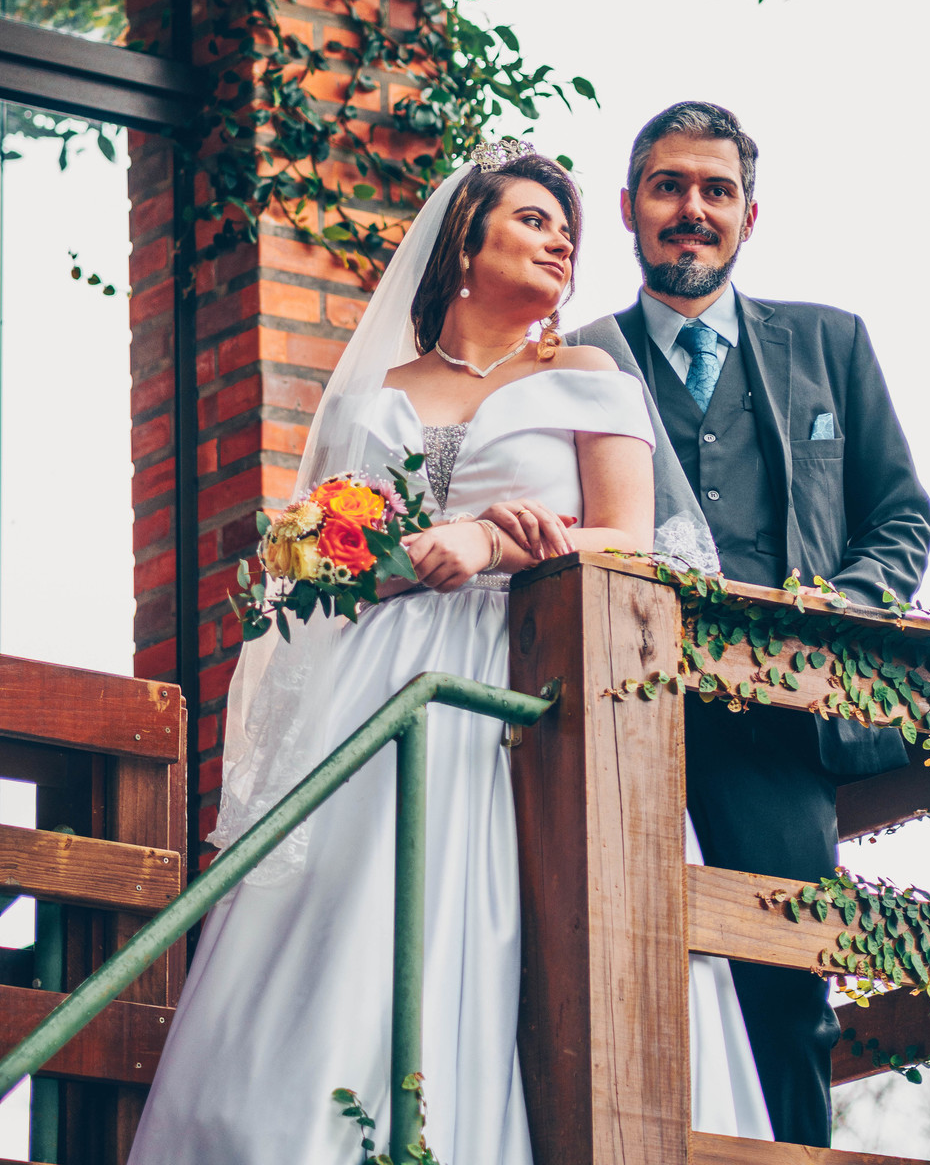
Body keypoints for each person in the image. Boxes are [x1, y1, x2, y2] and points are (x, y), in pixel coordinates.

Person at [129, 140, 769, 1165]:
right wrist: (379, 556)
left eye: (569, 230)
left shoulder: (589, 377)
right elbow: (302, 553)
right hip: (374, 683)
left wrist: (482, 543)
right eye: (532, 220)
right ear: (465, 243)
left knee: (517, 924)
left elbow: (632, 542)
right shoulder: (370, 393)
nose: (560, 242)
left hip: (524, 675)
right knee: (342, 927)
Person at [572, 101, 930, 1149]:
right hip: (623, 712)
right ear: (633, 207)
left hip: (783, 729)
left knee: (786, 991)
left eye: (715, 191)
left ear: (749, 214)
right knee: (615, 974)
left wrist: (838, 614)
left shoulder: (829, 343)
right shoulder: (581, 360)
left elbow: (902, 517)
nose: (693, 210)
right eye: (671, 187)